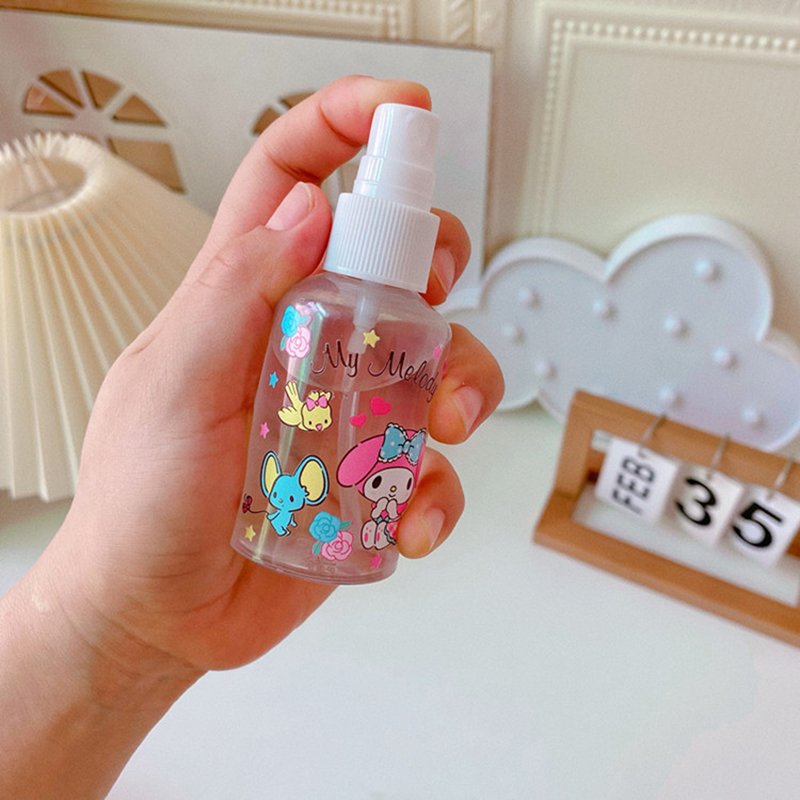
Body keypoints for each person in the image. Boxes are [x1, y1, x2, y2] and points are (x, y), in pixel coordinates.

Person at [0, 76, 503, 799]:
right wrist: (111, 620)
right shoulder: (311, 300)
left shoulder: (414, 328)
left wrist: (116, 635)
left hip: (324, 532)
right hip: (267, 520)